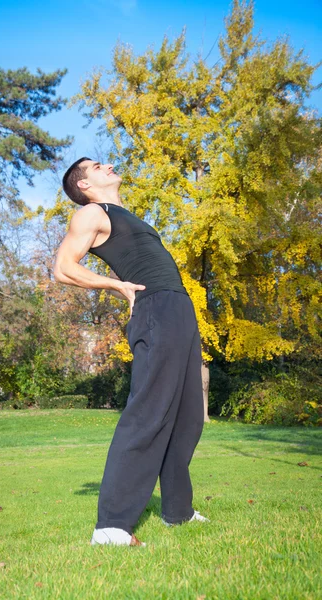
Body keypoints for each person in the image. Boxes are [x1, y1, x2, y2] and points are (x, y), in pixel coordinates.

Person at [55, 157, 208, 547]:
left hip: (178, 309)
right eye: (95, 166)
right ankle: (112, 526)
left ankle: (178, 511)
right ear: (84, 185)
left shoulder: (128, 216)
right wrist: (115, 285)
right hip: (155, 308)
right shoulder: (92, 213)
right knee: (148, 413)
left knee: (188, 417)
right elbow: (63, 267)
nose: (107, 165)